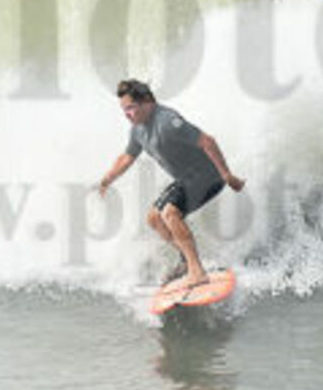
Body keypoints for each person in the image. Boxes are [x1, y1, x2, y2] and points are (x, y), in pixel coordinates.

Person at [96, 79, 245, 292]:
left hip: (208, 176)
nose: (127, 114)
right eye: (124, 110)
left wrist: (227, 175)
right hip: (187, 179)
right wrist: (106, 180)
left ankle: (197, 272)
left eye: (131, 107)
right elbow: (127, 158)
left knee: (170, 213)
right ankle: (186, 261)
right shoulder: (138, 130)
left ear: (147, 101)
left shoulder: (168, 122)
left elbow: (207, 141)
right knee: (154, 218)